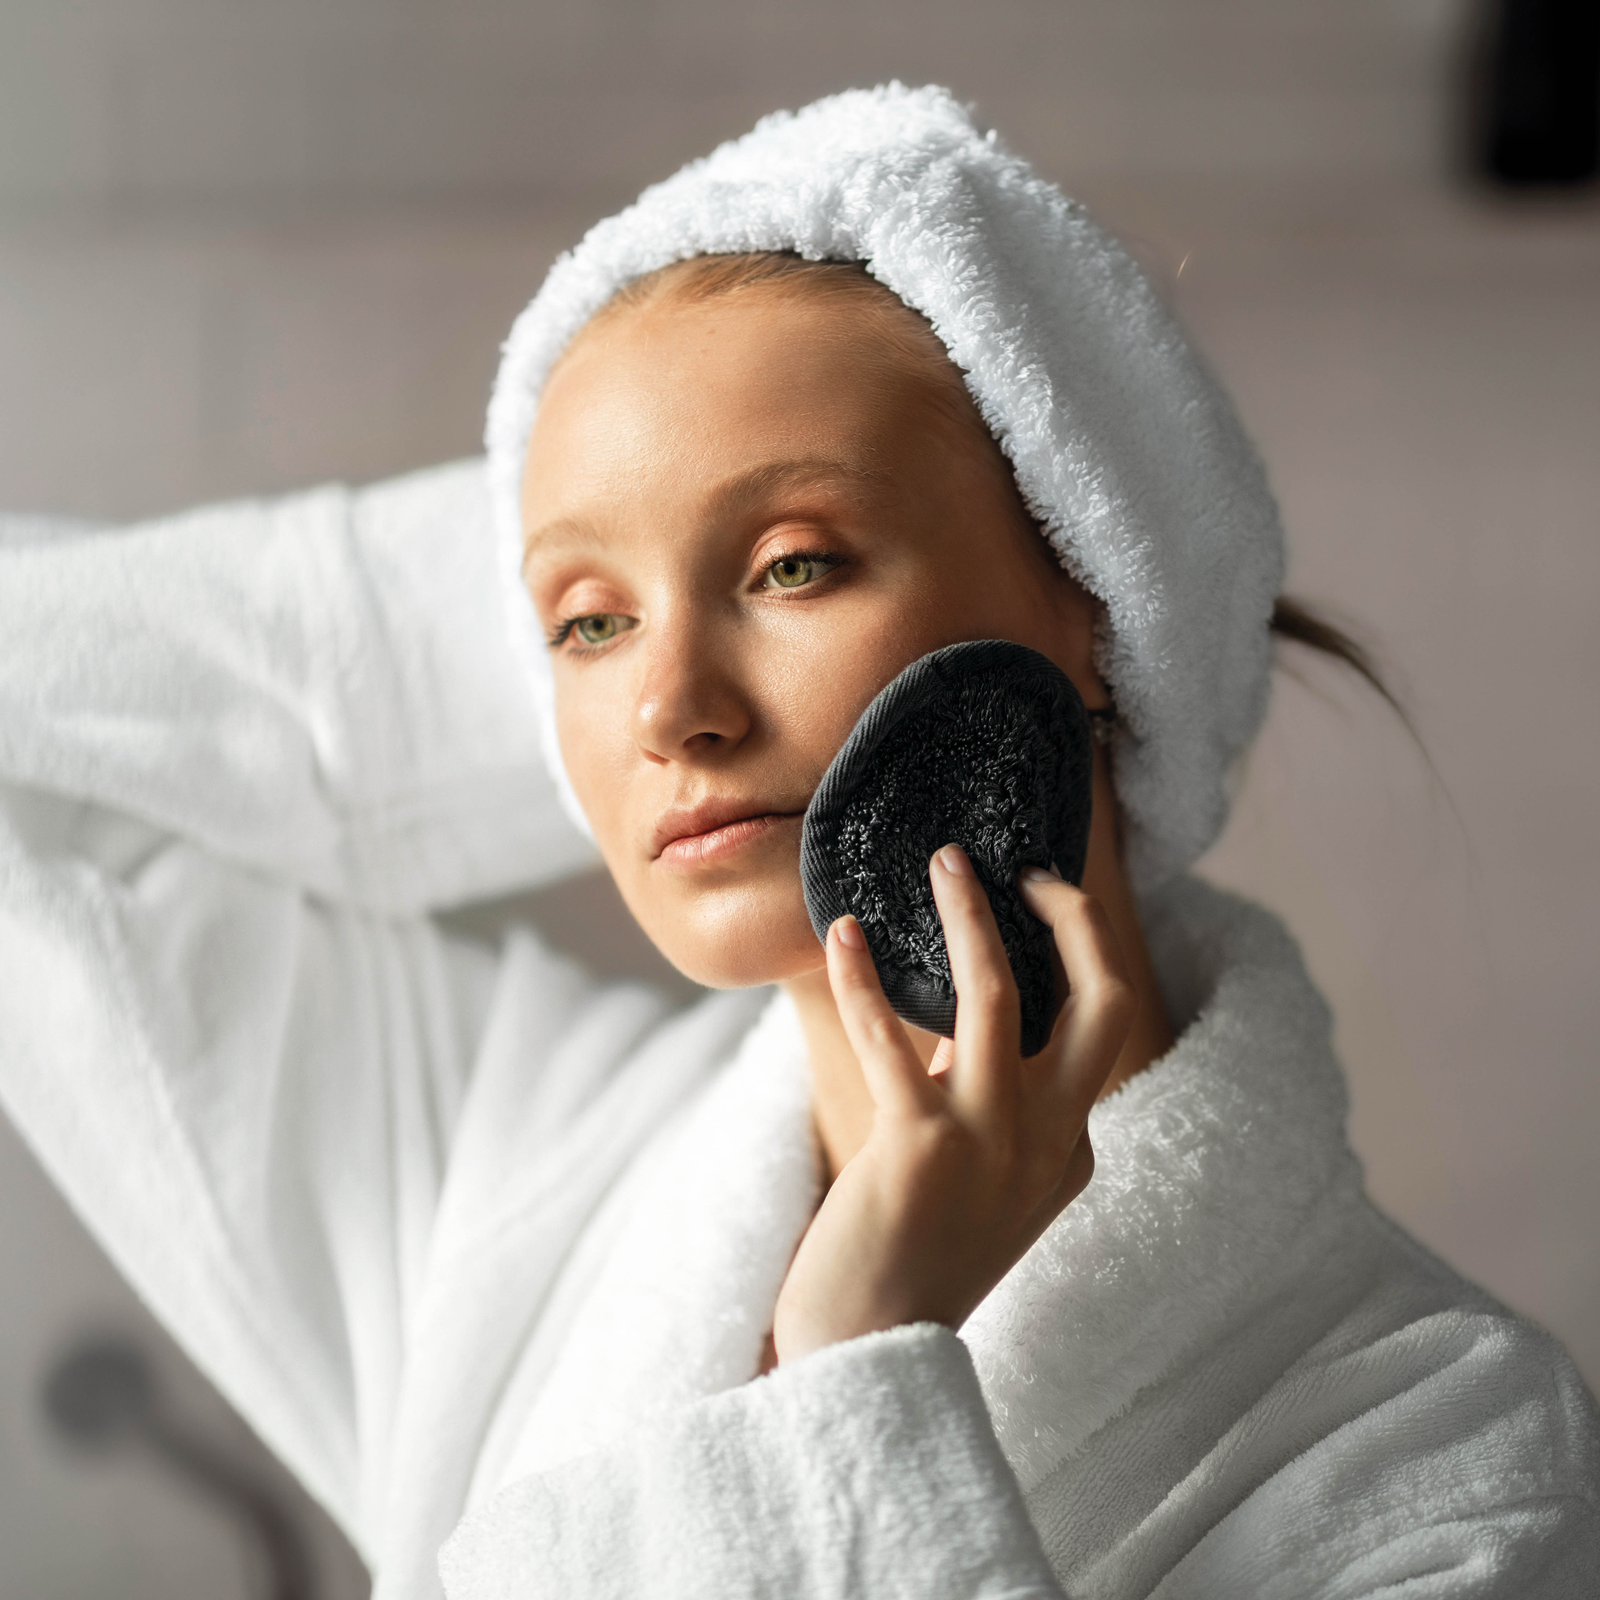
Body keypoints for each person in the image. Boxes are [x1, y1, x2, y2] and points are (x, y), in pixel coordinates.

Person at [0, 84, 1594, 1600]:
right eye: (585, 625)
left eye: (795, 567)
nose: (668, 711)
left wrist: (854, 1367)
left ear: (1099, 591)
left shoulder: (1451, 1452)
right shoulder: (513, 1179)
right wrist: (575, 512)